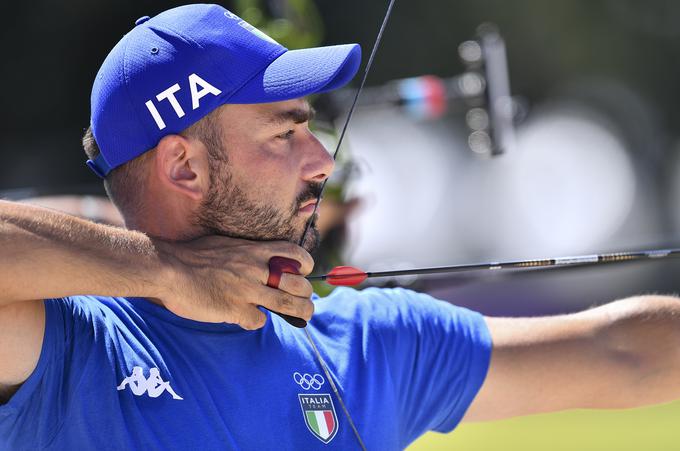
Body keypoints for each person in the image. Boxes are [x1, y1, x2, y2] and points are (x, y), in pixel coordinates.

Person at [1, 4, 680, 450]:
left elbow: (624, 351)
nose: (322, 158)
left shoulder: (365, 341)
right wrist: (175, 271)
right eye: (284, 131)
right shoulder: (69, 346)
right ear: (184, 167)